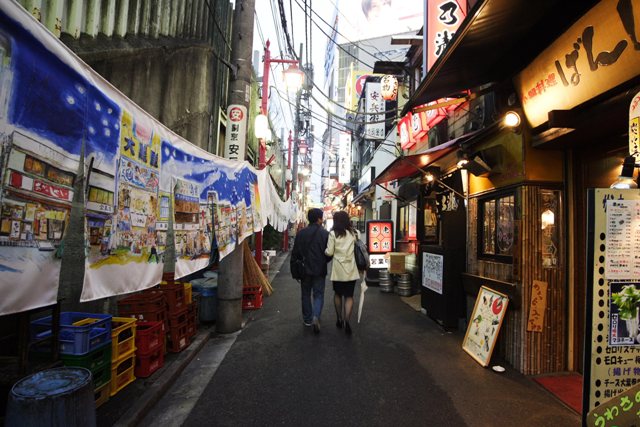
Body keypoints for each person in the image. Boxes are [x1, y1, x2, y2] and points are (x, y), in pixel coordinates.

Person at [291, 208, 330, 334]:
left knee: (305, 294)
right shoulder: (325, 234)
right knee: (318, 294)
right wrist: (324, 261)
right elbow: (329, 253)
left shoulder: (301, 233)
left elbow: (295, 253)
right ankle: (316, 316)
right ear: (319, 219)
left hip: (304, 270)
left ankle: (308, 319)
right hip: (319, 270)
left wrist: (295, 271)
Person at [325, 210, 362, 336]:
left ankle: (339, 319)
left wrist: (324, 251)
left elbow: (329, 252)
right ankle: (347, 320)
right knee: (349, 296)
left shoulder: (333, 234)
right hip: (351, 269)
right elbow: (359, 247)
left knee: (338, 294)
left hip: (338, 270)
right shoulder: (355, 233)